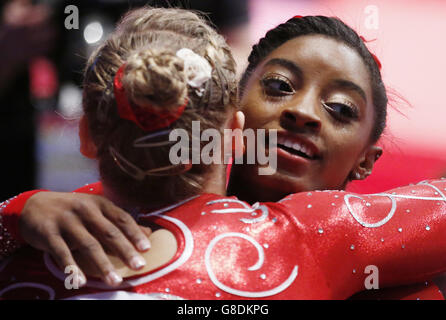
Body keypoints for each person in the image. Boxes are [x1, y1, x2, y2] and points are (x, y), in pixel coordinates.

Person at [1, 10, 446, 299]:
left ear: (367, 160)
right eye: (278, 86)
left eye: (341, 109)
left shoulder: (386, 268)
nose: (302, 112)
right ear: (233, 115)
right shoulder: (71, 218)